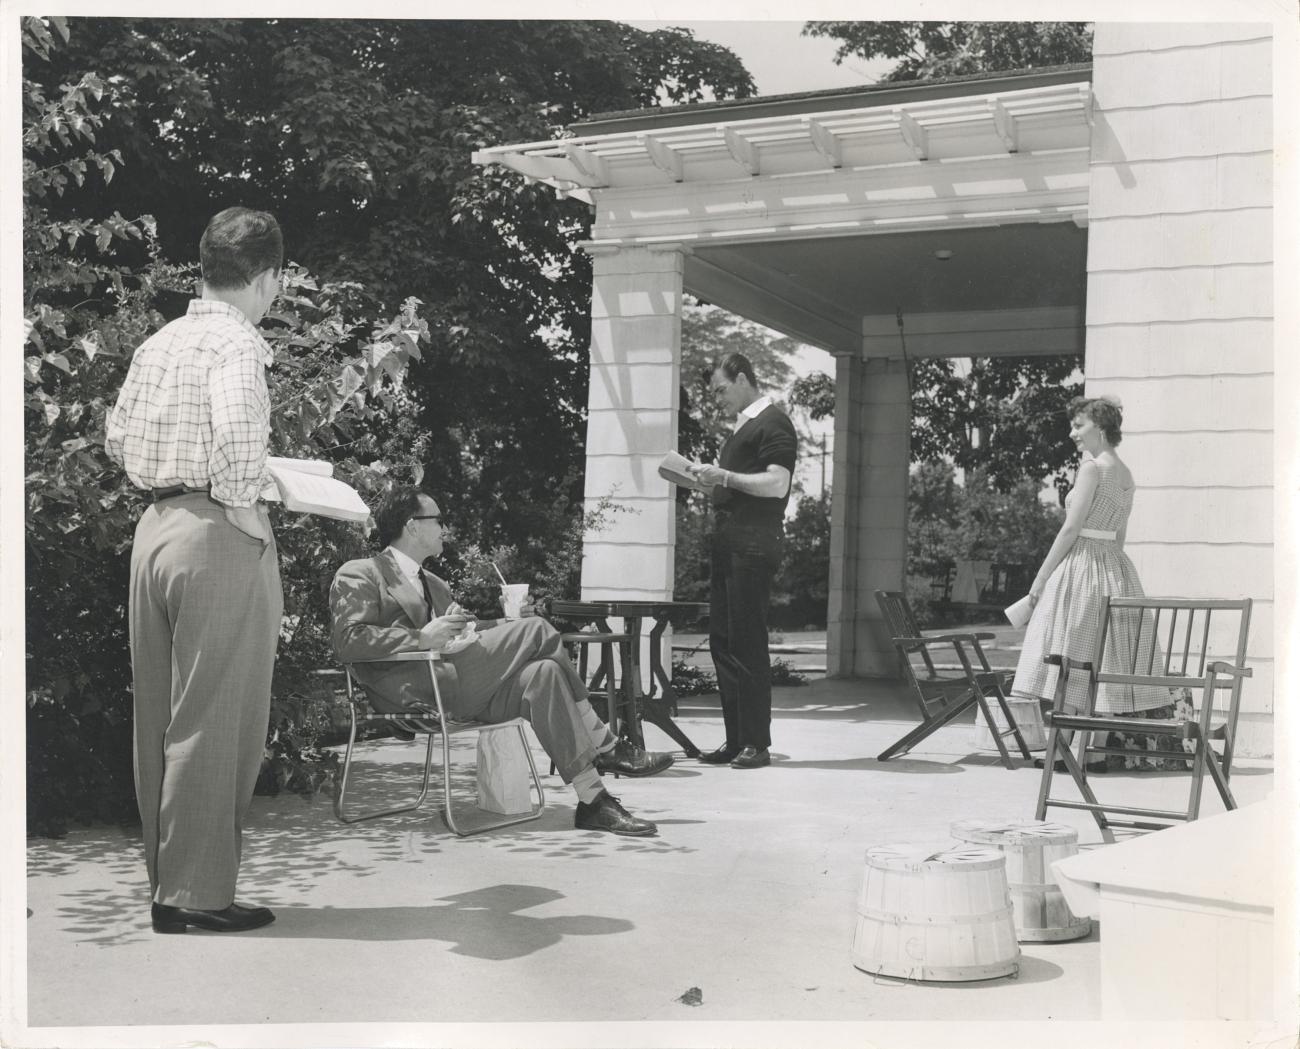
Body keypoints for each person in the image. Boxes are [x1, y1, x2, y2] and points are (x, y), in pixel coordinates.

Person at [106, 207, 285, 934]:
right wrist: (244, 515)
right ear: (270, 277)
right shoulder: (237, 344)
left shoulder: (161, 341)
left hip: (154, 529)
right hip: (214, 530)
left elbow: (118, 436)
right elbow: (240, 444)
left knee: (163, 715)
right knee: (218, 716)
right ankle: (199, 895)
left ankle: (171, 884)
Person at [329, 486, 674, 836]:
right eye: (438, 520)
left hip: (458, 684)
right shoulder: (360, 573)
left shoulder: (434, 583)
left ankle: (594, 801)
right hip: (413, 692)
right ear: (413, 527)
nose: (443, 529)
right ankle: (607, 744)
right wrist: (421, 637)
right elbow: (347, 641)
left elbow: (465, 633)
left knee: (545, 673)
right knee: (538, 630)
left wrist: (509, 622)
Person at [1011, 396, 1188, 772]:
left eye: (1079, 425)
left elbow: (1071, 529)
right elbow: (1119, 537)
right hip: (1115, 569)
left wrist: (1040, 582)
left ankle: (1060, 752)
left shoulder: (1091, 467)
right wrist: (1111, 574)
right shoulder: (1125, 474)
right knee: (1104, 654)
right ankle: (1097, 751)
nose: (1073, 433)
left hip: (1083, 564)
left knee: (1070, 655)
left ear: (1100, 427)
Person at [689, 353, 797, 769]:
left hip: (754, 546)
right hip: (728, 544)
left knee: (748, 644)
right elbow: (739, 488)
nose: (716, 399)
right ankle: (736, 741)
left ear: (744, 379)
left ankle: (757, 743)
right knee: (723, 643)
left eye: (720, 389)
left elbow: (777, 483)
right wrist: (708, 481)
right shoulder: (741, 430)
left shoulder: (773, 422)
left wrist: (727, 477)